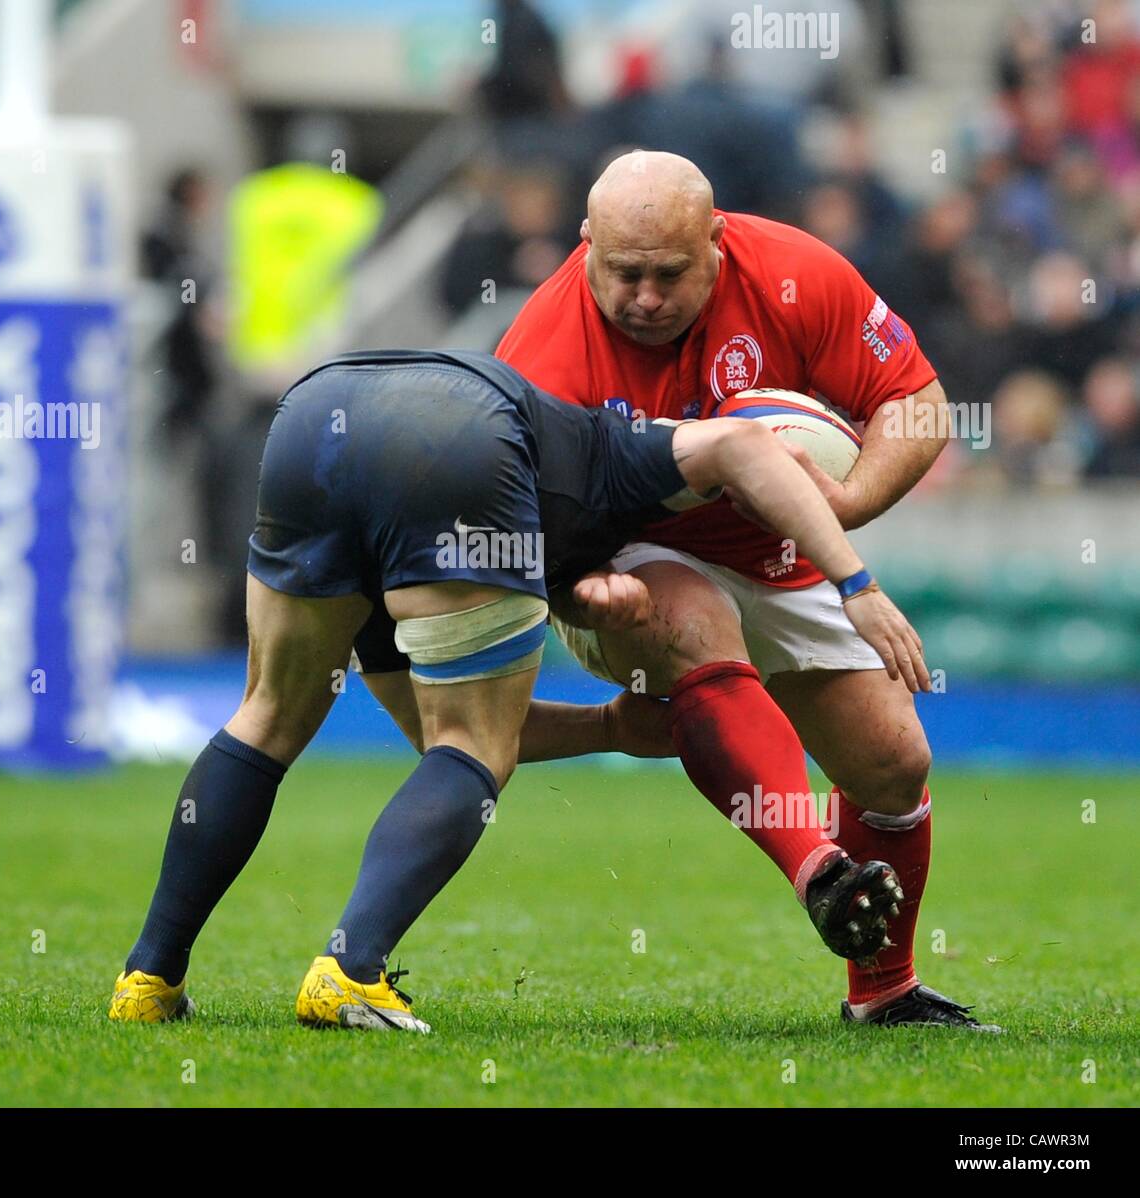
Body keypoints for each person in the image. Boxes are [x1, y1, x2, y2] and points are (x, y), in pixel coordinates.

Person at [109, 348, 924, 1031]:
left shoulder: (548, 506)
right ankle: (350, 970)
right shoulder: (625, 450)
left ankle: (148, 979)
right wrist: (856, 584)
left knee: (269, 716)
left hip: (315, 412)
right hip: (457, 435)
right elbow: (745, 448)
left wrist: (609, 726)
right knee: (475, 744)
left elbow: (427, 735)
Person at [497, 150, 1001, 1031]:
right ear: (584, 243)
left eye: (669, 273)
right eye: (622, 273)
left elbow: (916, 402)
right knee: (691, 617)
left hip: (781, 545)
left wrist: (845, 502)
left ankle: (882, 995)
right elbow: (523, 546)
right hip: (623, 562)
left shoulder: (795, 274)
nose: (644, 297)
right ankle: (818, 869)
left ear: (718, 243)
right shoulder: (539, 357)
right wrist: (581, 599)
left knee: (893, 763)